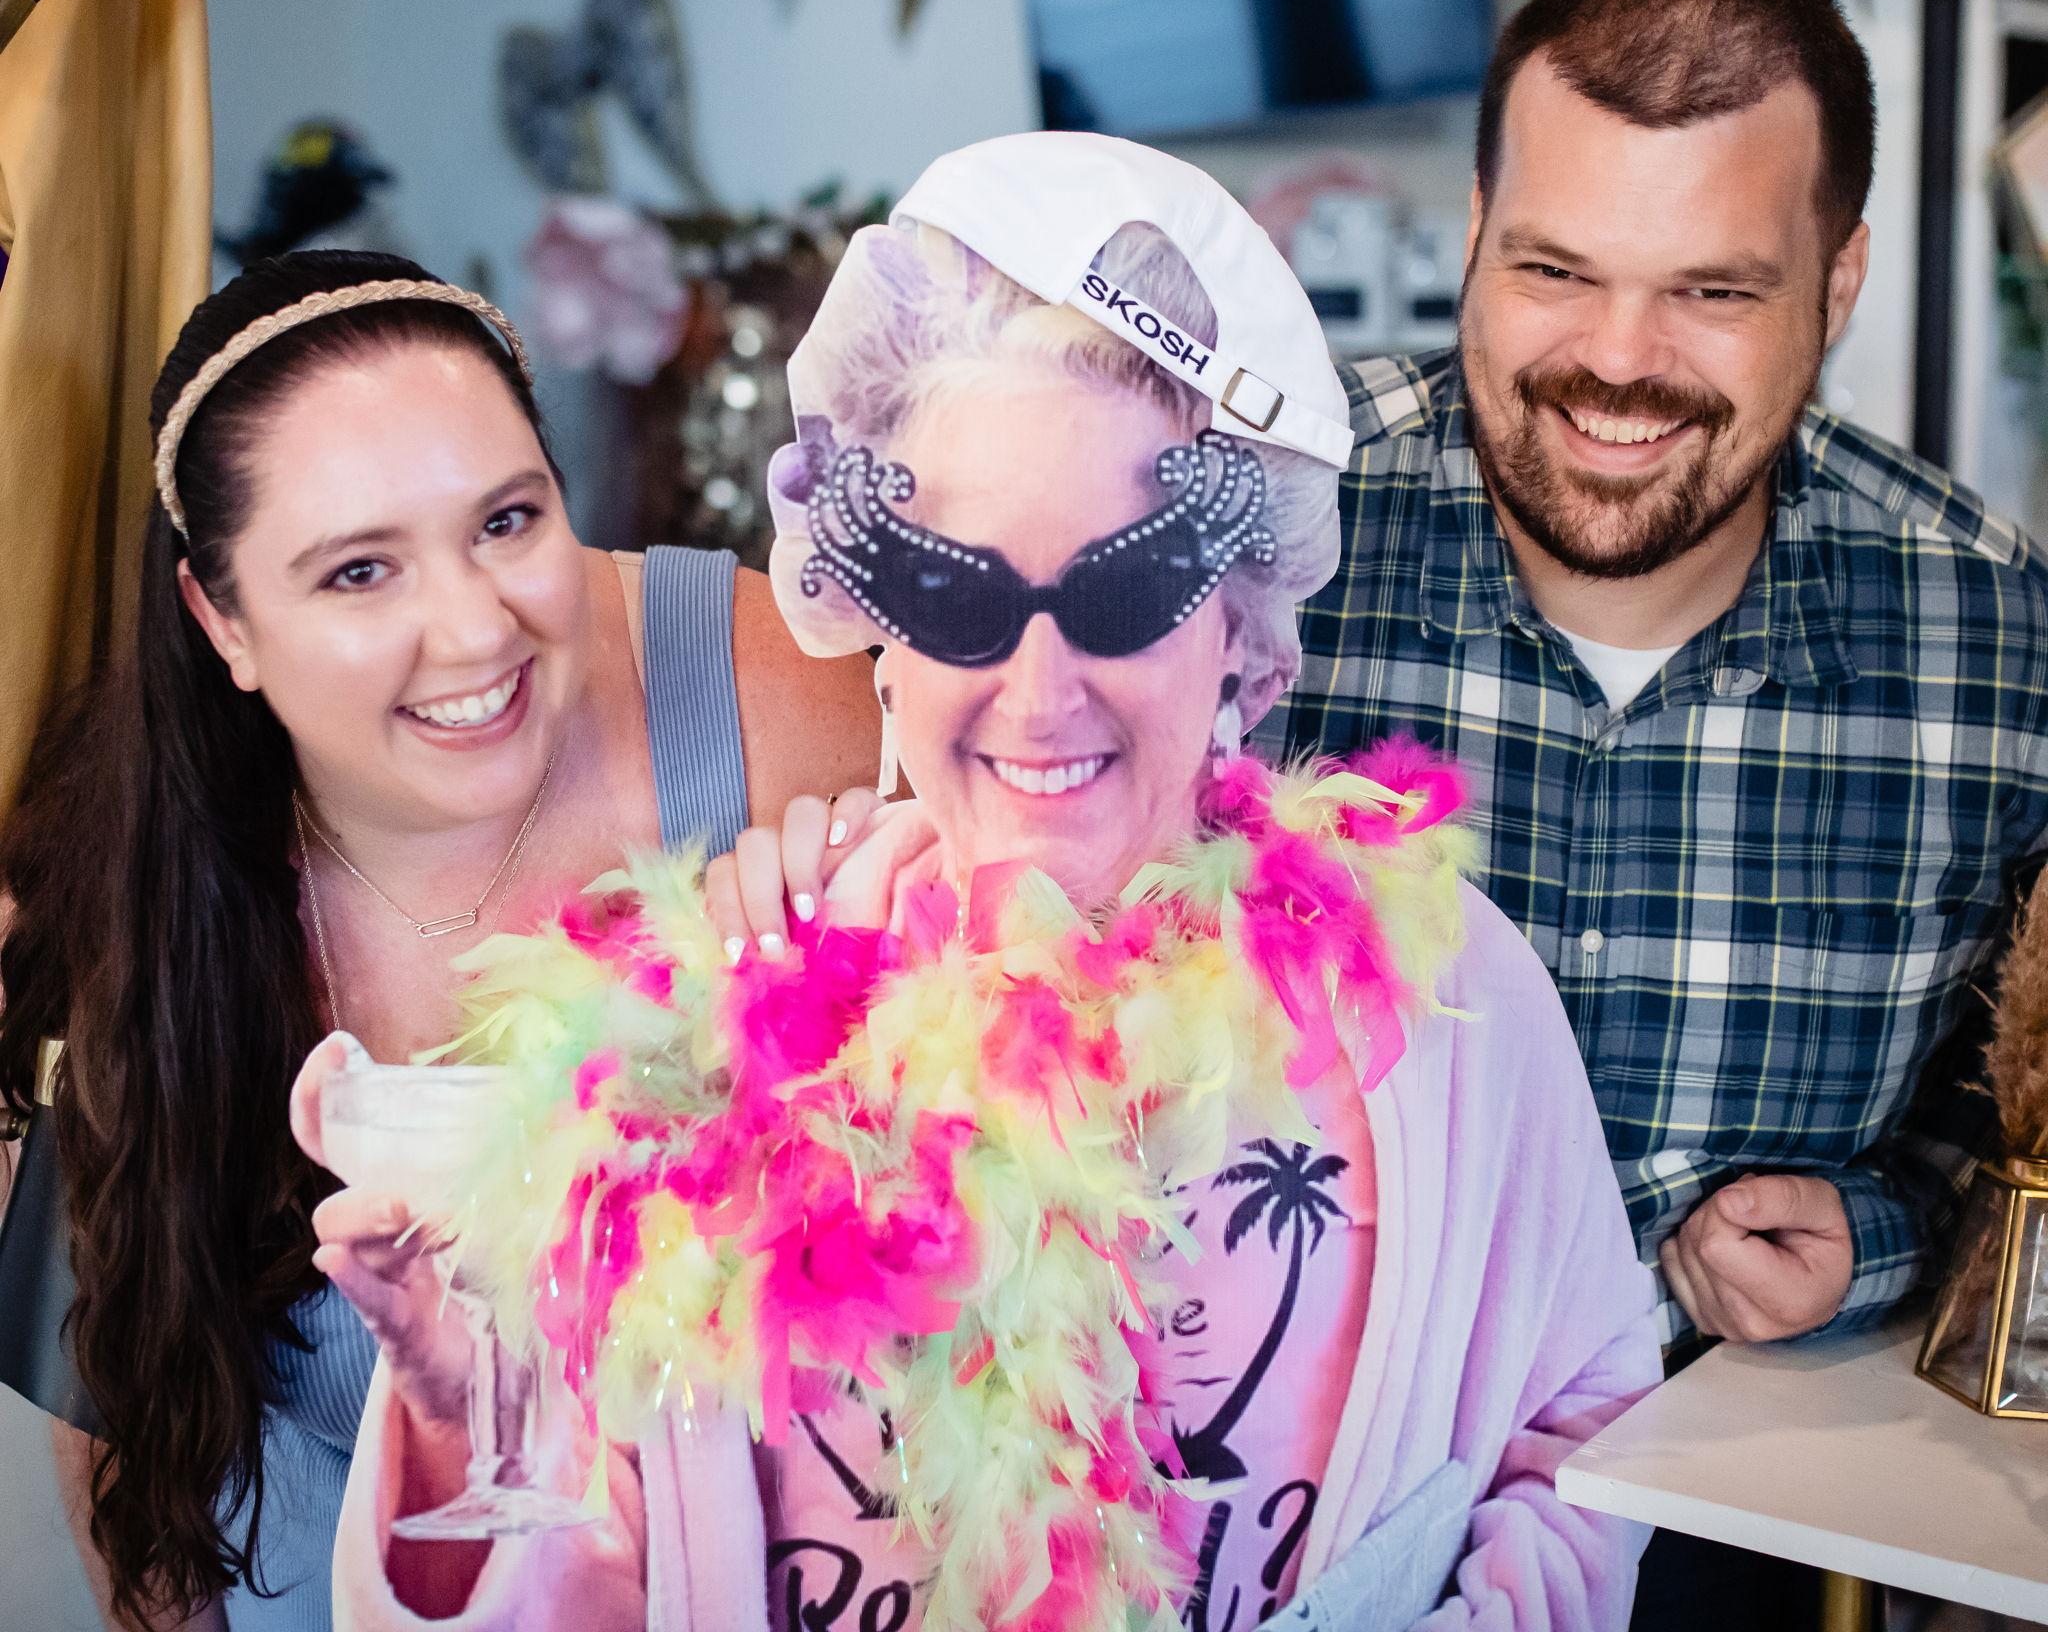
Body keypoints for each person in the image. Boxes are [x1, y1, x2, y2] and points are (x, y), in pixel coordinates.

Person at [303, 134, 1660, 1632]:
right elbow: (581, 1581)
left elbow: (1583, 1430)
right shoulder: (709, 1041)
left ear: (1245, 628)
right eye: (956, 595)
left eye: (1126, 589)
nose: (1038, 691)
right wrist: (458, 1420)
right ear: (877, 632)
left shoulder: (1438, 995)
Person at [1260, 0, 2048, 1624]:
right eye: (1555, 268)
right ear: (1476, 230)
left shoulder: (1999, 641)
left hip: (1725, 1535)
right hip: (1256, 1492)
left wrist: (1881, 1231)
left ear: (1837, 284)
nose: (1616, 360)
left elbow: (2007, 1124)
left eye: (1713, 291)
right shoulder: (1251, 534)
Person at [0, 251, 878, 1632]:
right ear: (223, 622)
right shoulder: (139, 888)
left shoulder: (783, 696)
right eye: (360, 571)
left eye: (507, 520)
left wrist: (858, 947)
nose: (474, 631)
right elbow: (134, 1473)